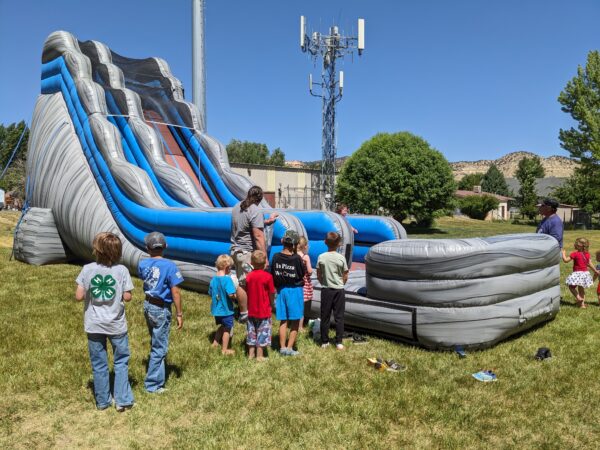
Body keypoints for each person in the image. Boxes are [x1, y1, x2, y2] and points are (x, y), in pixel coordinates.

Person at [75, 232, 134, 412]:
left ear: (96, 250)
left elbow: (79, 296)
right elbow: (128, 296)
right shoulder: (122, 270)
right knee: (121, 361)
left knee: (99, 363)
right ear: (118, 252)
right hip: (116, 325)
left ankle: (102, 401)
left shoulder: (87, 269)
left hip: (94, 325)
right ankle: (122, 400)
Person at [138, 231, 184, 393]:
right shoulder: (170, 266)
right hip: (161, 308)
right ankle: (152, 385)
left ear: (147, 248)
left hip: (148, 305)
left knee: (155, 341)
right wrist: (179, 313)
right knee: (160, 347)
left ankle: (156, 374)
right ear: (165, 246)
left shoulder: (142, 264)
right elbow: (175, 291)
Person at [230, 186, 278, 323]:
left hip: (236, 250)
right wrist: (264, 257)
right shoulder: (255, 210)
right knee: (244, 284)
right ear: (260, 198)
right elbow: (258, 236)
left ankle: (244, 311)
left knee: (242, 282)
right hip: (246, 253)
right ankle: (245, 315)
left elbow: (247, 224)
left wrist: (268, 221)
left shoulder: (237, 206)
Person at [271, 229, 306, 356]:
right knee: (295, 320)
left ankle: (282, 347)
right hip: (295, 291)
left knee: (283, 320)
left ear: (282, 241)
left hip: (281, 291)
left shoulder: (275, 256)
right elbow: (302, 273)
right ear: (296, 244)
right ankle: (290, 348)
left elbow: (272, 273)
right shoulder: (296, 258)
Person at [317, 231, 349, 350]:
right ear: (339, 244)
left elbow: (319, 274)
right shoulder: (341, 258)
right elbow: (345, 274)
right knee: (339, 316)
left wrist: (324, 283)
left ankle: (324, 341)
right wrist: (341, 283)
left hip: (326, 290)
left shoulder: (321, 257)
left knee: (325, 316)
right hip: (339, 290)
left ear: (325, 242)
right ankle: (339, 341)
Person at [244, 250, 276, 360]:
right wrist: (272, 304)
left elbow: (247, 290)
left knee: (251, 332)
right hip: (264, 311)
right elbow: (272, 292)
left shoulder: (248, 276)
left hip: (251, 310)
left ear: (251, 263)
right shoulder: (268, 277)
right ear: (265, 263)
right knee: (262, 332)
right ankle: (260, 356)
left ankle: (250, 354)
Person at [209, 254, 237, 355]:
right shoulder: (227, 280)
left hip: (216, 310)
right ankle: (224, 349)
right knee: (227, 329)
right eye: (230, 268)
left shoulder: (213, 279)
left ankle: (215, 342)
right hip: (226, 310)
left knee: (222, 326)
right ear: (227, 267)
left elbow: (210, 292)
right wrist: (235, 295)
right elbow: (231, 294)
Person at [561, 237, 597, 308]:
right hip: (585, 274)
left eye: (576, 243)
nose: (574, 244)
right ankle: (582, 305)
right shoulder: (587, 254)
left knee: (571, 287)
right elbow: (589, 264)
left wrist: (563, 253)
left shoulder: (574, 254)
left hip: (577, 274)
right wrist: (595, 270)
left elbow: (565, 260)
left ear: (580, 245)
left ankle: (578, 298)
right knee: (581, 289)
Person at [296, 236, 314, 331]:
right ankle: (300, 327)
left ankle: (291, 323)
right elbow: (310, 271)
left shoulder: (293, 255)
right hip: (304, 284)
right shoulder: (305, 257)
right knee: (301, 308)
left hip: (294, 282)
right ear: (305, 246)